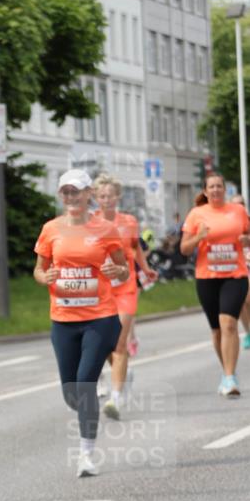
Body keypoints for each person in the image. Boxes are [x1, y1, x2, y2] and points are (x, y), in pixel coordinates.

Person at [34, 169, 129, 477]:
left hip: (100, 318)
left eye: (76, 191)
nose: (70, 196)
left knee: (86, 382)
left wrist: (117, 272)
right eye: (65, 191)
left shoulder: (105, 229)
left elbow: (124, 268)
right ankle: (89, 410)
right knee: (71, 393)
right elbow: (39, 269)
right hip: (63, 320)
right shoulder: (51, 229)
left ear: (89, 193)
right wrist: (45, 277)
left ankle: (86, 454)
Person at [92, 174, 158, 420]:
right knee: (104, 343)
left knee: (120, 341)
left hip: (126, 287)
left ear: (117, 196)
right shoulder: (90, 222)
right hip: (99, 290)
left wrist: (146, 268)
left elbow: (136, 247)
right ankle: (124, 374)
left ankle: (116, 397)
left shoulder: (129, 222)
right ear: (96, 198)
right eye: (102, 196)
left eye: (110, 195)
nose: (106, 200)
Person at [181, 172, 250, 396]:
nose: (216, 190)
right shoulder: (196, 214)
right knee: (217, 330)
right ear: (205, 191)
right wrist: (198, 237)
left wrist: (247, 240)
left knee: (229, 324)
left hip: (235, 275)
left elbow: (248, 234)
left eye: (219, 186)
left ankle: (230, 378)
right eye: (211, 187)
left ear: (224, 189)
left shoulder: (238, 211)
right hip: (207, 278)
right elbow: (184, 249)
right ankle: (227, 372)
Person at [230, 194, 250, 350]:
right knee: (242, 302)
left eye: (241, 203)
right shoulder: (228, 225)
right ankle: (248, 333)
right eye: (236, 204)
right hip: (236, 266)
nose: (239, 207)